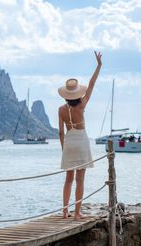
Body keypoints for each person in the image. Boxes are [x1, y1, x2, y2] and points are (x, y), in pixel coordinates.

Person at [58, 51, 102, 220]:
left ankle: (64, 211)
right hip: (82, 141)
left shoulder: (61, 109)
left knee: (68, 179)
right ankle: (77, 213)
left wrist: (64, 148)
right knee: (80, 180)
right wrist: (98, 65)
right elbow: (91, 84)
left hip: (69, 142)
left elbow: (60, 132)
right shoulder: (82, 105)